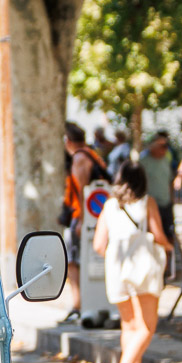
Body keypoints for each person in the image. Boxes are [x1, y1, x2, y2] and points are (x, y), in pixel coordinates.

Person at [92, 160, 172, 363]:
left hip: (116, 270)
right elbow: (158, 235)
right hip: (141, 269)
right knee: (147, 327)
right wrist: (169, 247)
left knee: (129, 326)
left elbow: (99, 245)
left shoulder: (109, 206)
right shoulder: (147, 202)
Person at [58, 121, 111, 318]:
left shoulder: (79, 158)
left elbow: (82, 191)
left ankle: (78, 304)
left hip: (82, 216)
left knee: (73, 261)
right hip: (95, 216)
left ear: (68, 141)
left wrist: (81, 220)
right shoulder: (92, 155)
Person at [138, 132, 179, 250]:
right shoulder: (144, 161)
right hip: (152, 205)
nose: (165, 149)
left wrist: (172, 199)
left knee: (169, 236)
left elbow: (169, 180)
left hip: (166, 204)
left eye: (166, 146)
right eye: (162, 146)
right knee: (155, 237)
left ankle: (169, 260)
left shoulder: (166, 159)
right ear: (153, 147)